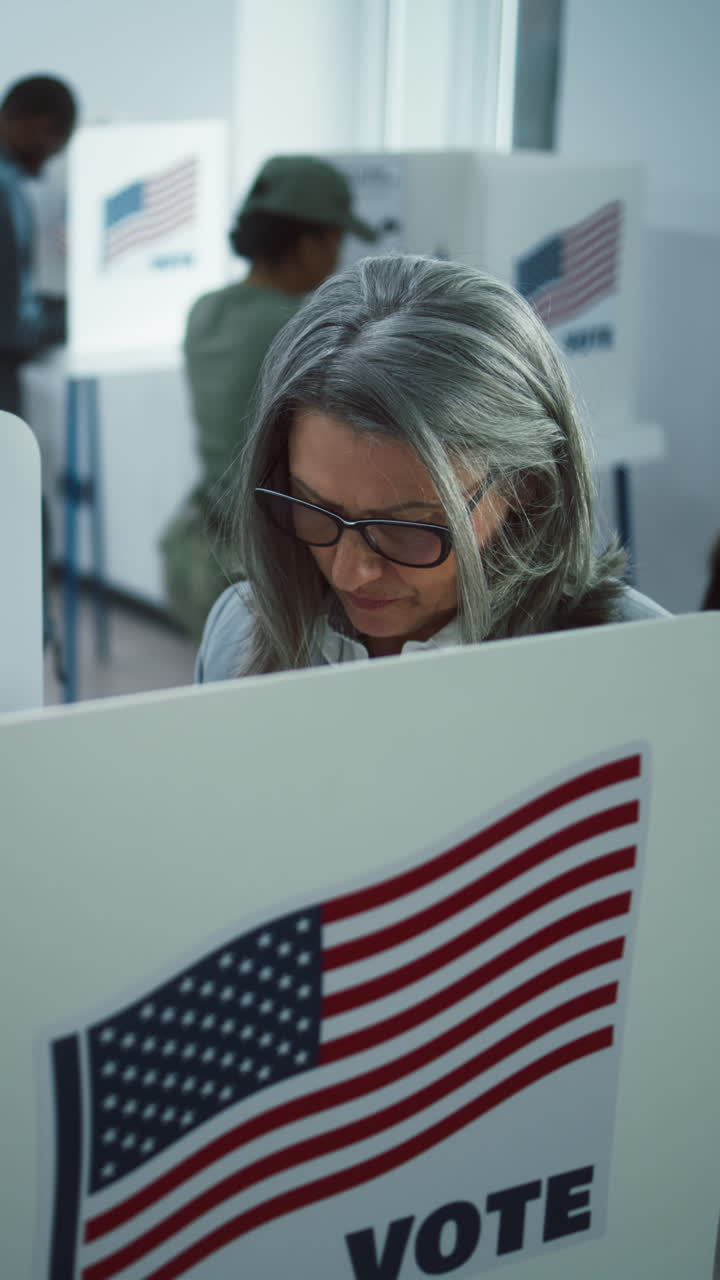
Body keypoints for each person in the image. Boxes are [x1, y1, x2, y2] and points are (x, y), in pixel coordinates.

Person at [195, 254, 667, 683]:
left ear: (528, 487)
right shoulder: (234, 633)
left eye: (407, 528)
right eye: (315, 509)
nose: (350, 572)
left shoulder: (651, 668)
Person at [161, 154, 376, 641]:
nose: (338, 260)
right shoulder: (297, 329)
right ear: (305, 245)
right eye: (335, 243)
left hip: (208, 542)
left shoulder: (207, 312)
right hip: (265, 563)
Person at [0, 74, 76, 413]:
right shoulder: (5, 190)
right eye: (59, 142)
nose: (52, 159)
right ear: (40, 126)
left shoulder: (11, 185)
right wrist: (77, 318)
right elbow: (11, 326)